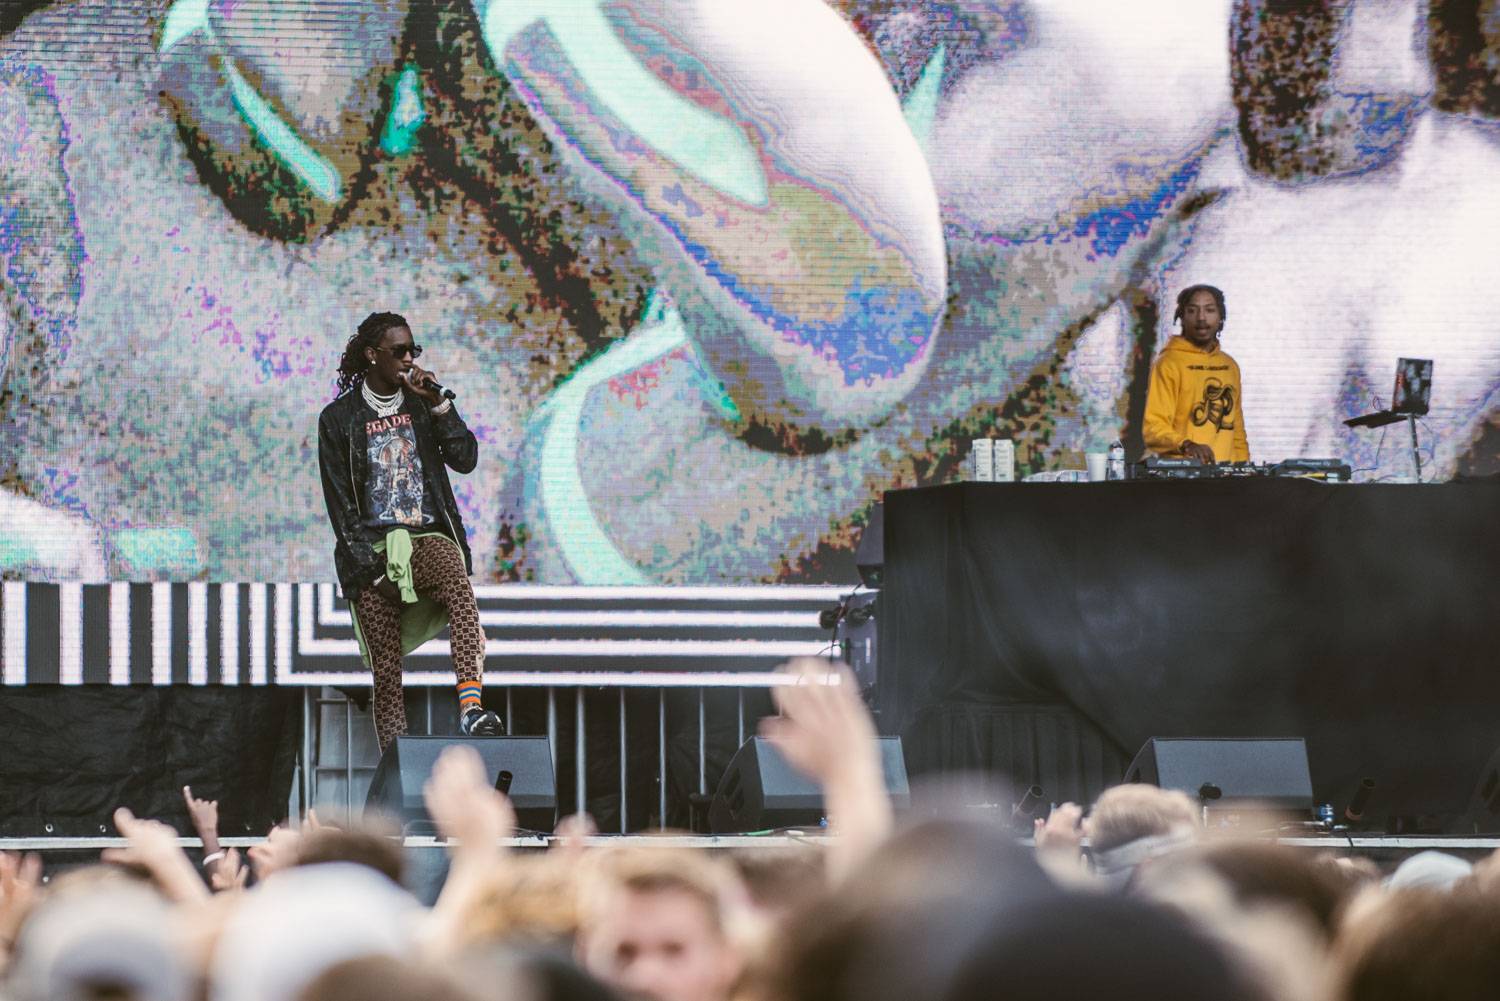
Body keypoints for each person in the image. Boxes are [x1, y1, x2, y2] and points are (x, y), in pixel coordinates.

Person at [317, 312, 503, 751]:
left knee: (458, 587)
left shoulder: (422, 404)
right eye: (398, 351)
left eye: (412, 351)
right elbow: (340, 504)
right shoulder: (339, 419)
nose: (407, 359)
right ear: (371, 355)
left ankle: (471, 708)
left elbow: (466, 457)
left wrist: (440, 405)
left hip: (424, 537)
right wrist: (372, 573)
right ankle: (396, 775)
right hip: (372, 552)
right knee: (386, 670)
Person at [1143, 284, 1251, 464]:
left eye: (1209, 310)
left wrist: (1244, 469)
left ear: (1221, 317)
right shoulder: (1169, 363)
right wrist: (1186, 445)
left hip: (1226, 480)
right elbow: (1154, 428)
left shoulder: (1229, 365)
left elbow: (1236, 430)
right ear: (1182, 317)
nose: (1201, 318)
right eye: (1192, 310)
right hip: (1184, 478)